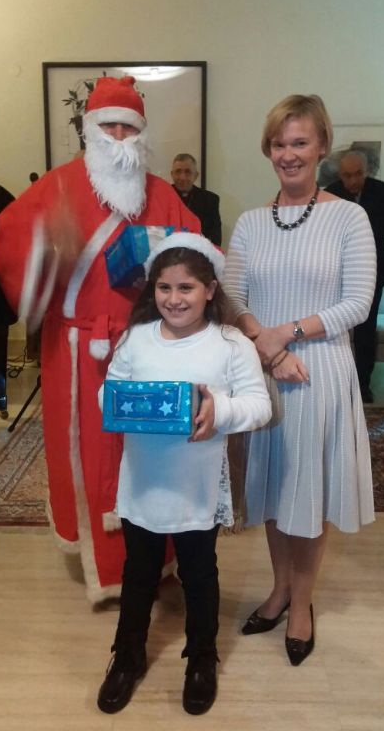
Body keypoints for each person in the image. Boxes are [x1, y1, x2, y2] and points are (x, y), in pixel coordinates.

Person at [0, 76, 201, 605]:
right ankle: (100, 562)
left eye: (129, 127)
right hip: (77, 351)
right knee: (86, 456)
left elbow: (197, 255)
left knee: (149, 457)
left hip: (148, 348)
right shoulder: (57, 187)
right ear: (90, 130)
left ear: (142, 133)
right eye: (110, 127)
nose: (120, 137)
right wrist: (46, 246)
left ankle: (155, 558)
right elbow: (4, 243)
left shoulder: (163, 194)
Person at [224, 95, 376, 666]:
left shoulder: (349, 218)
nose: (288, 154)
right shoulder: (250, 222)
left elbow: (357, 303)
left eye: (299, 143)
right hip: (264, 373)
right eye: (278, 144)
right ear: (268, 149)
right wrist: (266, 348)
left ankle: (302, 604)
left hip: (319, 372)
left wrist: (283, 335)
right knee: (271, 487)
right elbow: (232, 297)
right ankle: (279, 588)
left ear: (321, 147)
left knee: (306, 492)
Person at [96, 232, 271, 715]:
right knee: (139, 571)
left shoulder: (230, 344)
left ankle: (201, 658)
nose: (174, 299)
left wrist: (220, 411)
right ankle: (127, 656)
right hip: (144, 480)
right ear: (152, 289)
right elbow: (109, 391)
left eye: (186, 288)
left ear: (210, 289)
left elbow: (257, 405)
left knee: (199, 573)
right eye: (164, 288)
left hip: (197, 484)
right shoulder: (137, 338)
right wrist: (126, 404)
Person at [325, 149, 384, 402]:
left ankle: (362, 385)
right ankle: (338, 382)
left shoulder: (383, 192)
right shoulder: (330, 195)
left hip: (374, 270)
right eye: (347, 175)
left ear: (367, 171)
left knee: (366, 329)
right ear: (339, 175)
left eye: (358, 174)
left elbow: (382, 231)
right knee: (335, 325)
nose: (353, 181)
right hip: (337, 272)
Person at [171, 154, 222, 245]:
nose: (182, 177)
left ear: (196, 175)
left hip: (199, 250)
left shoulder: (210, 200)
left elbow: (215, 239)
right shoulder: (162, 197)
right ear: (172, 174)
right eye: (178, 171)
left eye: (188, 172)